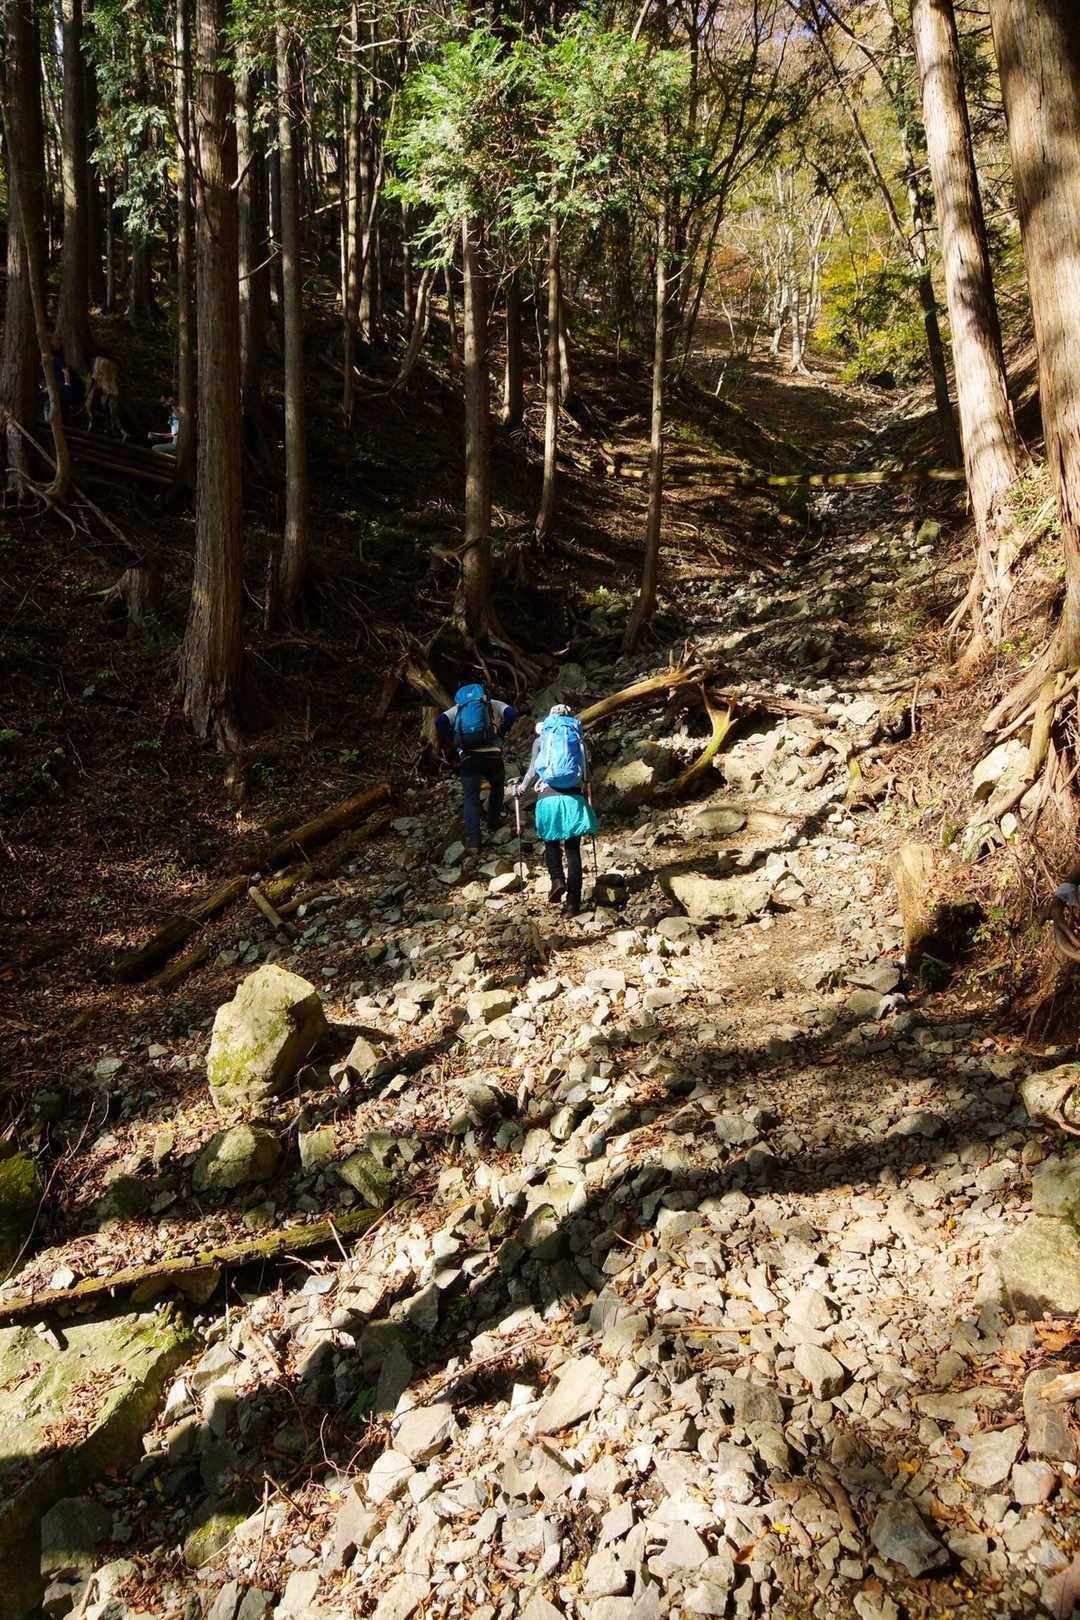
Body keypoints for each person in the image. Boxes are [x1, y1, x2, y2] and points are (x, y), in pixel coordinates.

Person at [514, 703, 598, 917]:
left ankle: (557, 880)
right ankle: (573, 905)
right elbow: (586, 775)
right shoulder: (577, 739)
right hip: (573, 799)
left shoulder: (542, 739)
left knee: (551, 843)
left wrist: (520, 789)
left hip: (548, 798)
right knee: (573, 850)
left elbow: (533, 770)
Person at [436, 679, 520, 852]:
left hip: (468, 757)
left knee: (471, 799)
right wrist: (501, 733)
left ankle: (475, 842)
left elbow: (439, 722)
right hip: (492, 755)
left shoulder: (459, 708)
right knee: (497, 786)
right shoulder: (493, 704)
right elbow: (512, 714)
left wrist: (455, 740)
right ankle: (494, 822)